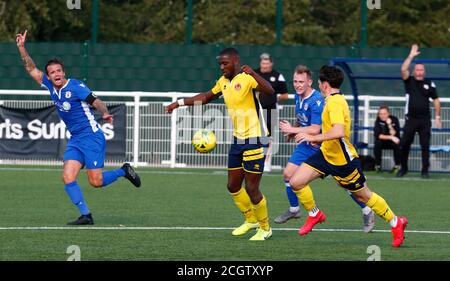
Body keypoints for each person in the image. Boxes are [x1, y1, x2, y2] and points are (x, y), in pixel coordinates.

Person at [16, 30, 141, 225]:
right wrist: (22, 48)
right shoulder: (49, 85)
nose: (56, 74)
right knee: (67, 177)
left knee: (96, 182)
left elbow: (96, 101)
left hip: (91, 136)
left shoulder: (75, 87)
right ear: (49, 76)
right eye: (52, 72)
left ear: (63, 72)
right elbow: (31, 69)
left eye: (59, 71)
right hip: (75, 139)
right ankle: (86, 215)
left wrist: (105, 113)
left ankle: (123, 171)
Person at [289, 65, 407, 247]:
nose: (319, 86)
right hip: (326, 154)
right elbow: (331, 131)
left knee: (363, 196)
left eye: (320, 83)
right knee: (296, 181)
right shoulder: (331, 100)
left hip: (343, 162)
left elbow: (338, 131)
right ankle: (314, 214)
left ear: (324, 84)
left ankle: (395, 222)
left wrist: (313, 136)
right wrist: (318, 140)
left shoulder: (335, 103)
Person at [166, 47, 275, 240]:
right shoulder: (223, 82)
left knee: (251, 188)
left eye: (225, 63)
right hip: (237, 139)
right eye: (220, 64)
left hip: (255, 138)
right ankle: (251, 220)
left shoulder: (247, 77)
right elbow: (206, 97)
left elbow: (270, 91)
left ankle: (265, 228)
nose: (222, 67)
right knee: (233, 185)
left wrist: (254, 73)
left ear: (235, 61)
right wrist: (179, 103)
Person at [275, 65, 375, 233]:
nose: (297, 85)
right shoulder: (299, 97)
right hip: (307, 144)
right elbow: (303, 119)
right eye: (295, 81)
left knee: (345, 185)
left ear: (310, 82)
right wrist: (296, 129)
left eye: (301, 82)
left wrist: (293, 130)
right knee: (288, 175)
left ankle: (367, 210)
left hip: (323, 145)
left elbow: (315, 129)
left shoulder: (318, 101)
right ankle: (295, 210)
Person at [397, 44, 442, 179]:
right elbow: (403, 69)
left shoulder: (430, 83)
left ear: (424, 71)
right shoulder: (408, 81)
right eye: (417, 69)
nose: (419, 71)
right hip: (411, 119)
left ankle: (424, 171)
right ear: (414, 71)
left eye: (421, 69)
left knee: (425, 146)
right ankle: (403, 168)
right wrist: (411, 56)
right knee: (404, 144)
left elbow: (436, 100)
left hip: (425, 120)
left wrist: (438, 117)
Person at [255, 53, 289, 172]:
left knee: (268, 136)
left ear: (271, 63)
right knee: (255, 135)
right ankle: (254, 160)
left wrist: (274, 99)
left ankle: (266, 162)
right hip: (255, 110)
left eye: (267, 63)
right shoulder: (254, 74)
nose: (264, 65)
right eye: (263, 63)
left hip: (271, 110)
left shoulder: (277, 76)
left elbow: (285, 94)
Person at [373, 105, 401, 173]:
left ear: (388, 113)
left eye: (384, 113)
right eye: (380, 114)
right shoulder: (378, 121)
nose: (382, 115)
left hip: (392, 142)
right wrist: (391, 137)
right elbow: (378, 136)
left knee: (397, 144)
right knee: (377, 143)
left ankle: (397, 165)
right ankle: (378, 166)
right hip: (382, 142)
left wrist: (389, 125)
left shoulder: (394, 119)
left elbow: (394, 134)